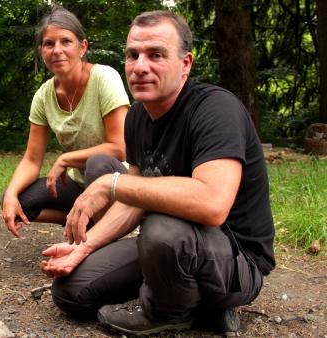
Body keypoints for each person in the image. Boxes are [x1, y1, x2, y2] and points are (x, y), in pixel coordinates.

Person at [39, 10, 275, 336]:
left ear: (186, 64)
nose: (140, 66)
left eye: (156, 55)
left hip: (235, 259)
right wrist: (86, 245)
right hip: (171, 247)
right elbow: (133, 200)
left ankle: (167, 311)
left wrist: (113, 182)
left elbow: (212, 203)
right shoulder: (137, 116)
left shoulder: (216, 109)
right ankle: (195, 302)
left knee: (162, 227)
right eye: (132, 55)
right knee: (72, 291)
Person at [1, 6, 130, 238]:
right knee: (13, 198)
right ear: (41, 51)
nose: (57, 50)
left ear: (83, 47)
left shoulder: (104, 78)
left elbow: (120, 148)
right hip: (77, 184)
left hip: (116, 182)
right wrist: (11, 194)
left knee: (98, 163)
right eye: (49, 44)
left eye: (66, 42)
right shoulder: (43, 95)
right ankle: (80, 222)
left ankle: (103, 235)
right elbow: (31, 159)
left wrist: (65, 158)